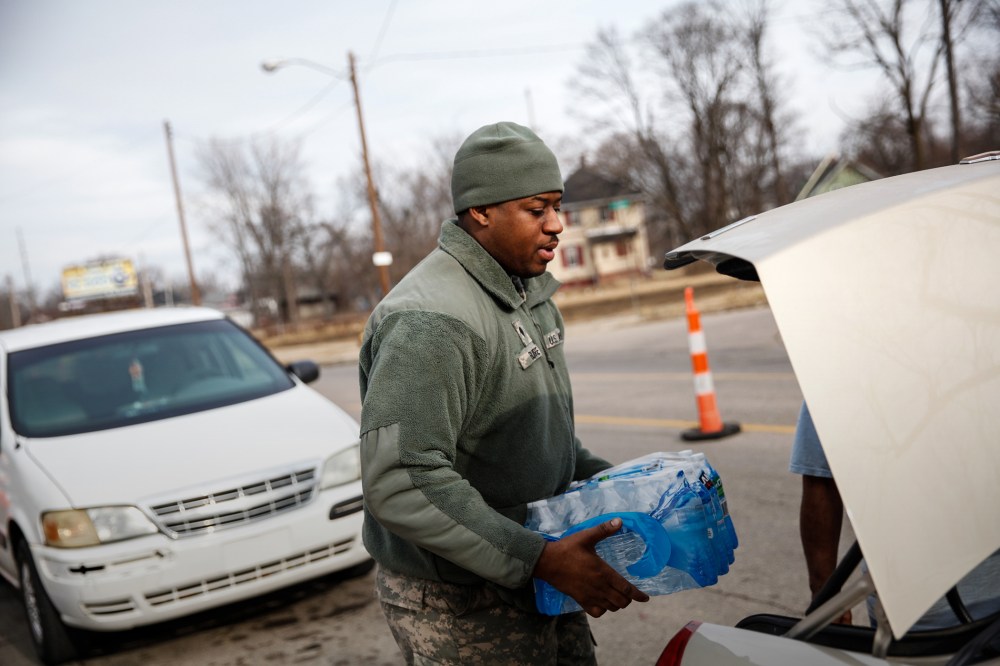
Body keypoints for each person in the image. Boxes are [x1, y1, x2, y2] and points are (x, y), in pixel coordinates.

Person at [358, 121, 648, 665]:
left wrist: (625, 492)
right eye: (537, 210)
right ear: (481, 212)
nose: (557, 225)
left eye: (556, 207)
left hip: (541, 567)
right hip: (462, 602)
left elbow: (540, 438)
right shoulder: (431, 320)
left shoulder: (528, 293)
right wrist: (538, 558)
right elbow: (402, 479)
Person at [790, 401, 1000, 631]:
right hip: (917, 608)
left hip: (913, 607)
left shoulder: (844, 369)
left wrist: (823, 594)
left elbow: (819, 478)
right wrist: (824, 594)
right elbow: (820, 477)